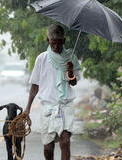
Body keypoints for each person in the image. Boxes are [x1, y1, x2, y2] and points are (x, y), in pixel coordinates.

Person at [24, 24, 81, 160]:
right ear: (47, 41)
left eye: (59, 43)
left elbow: (73, 82)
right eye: (53, 43)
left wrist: (70, 71)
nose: (56, 47)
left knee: (65, 141)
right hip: (47, 106)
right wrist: (28, 108)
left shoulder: (71, 58)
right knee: (48, 147)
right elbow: (35, 85)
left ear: (64, 41)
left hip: (65, 104)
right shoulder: (41, 59)